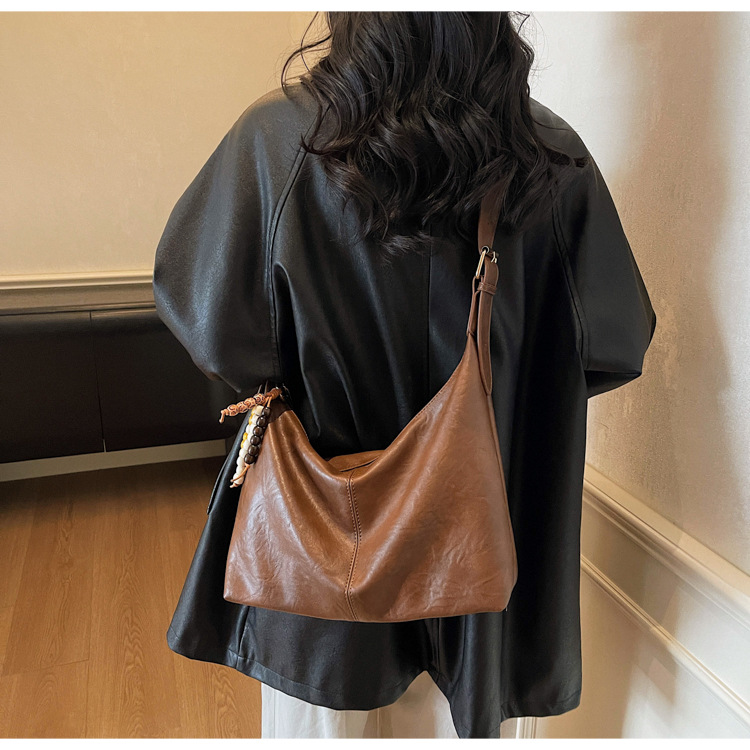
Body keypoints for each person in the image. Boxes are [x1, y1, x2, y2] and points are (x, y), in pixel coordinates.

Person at [153, 11, 657, 739]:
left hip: (320, 563)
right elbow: (613, 345)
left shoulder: (277, 143)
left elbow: (210, 322)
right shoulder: (551, 158)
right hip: (484, 561)